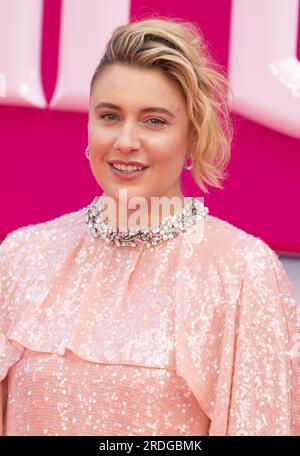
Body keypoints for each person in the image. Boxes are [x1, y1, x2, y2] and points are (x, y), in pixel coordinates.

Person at [1, 17, 299, 436]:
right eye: (109, 116)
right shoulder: (22, 257)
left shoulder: (241, 272)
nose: (125, 140)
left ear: (192, 136)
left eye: (154, 121)